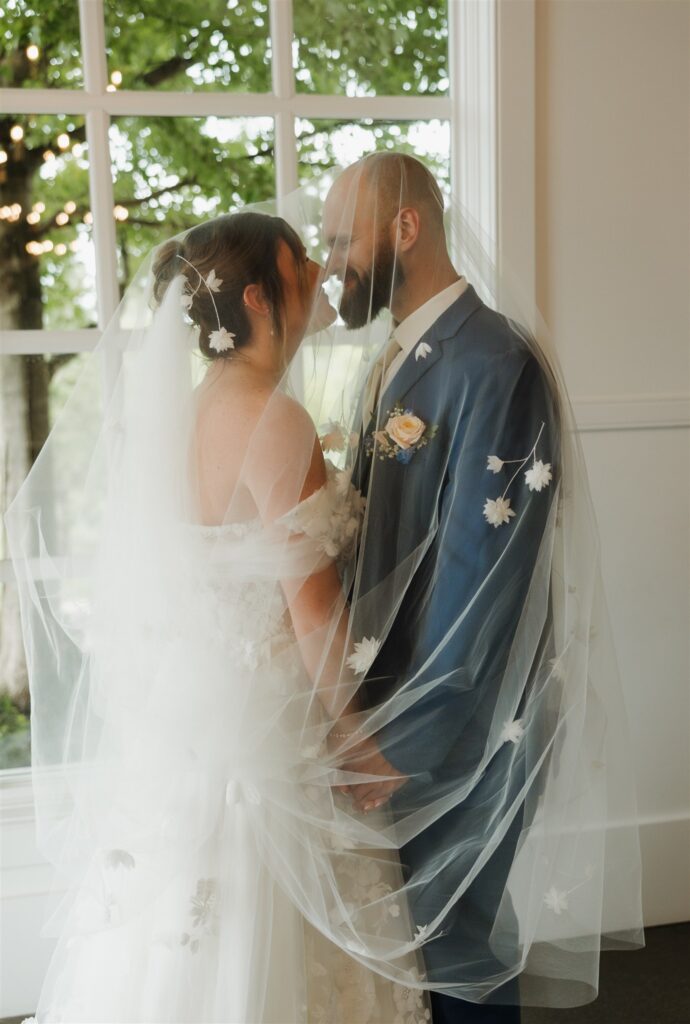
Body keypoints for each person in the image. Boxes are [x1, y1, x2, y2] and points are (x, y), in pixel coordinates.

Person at [6, 158, 644, 1023]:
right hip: (324, 719)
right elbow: (327, 571)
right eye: (313, 253)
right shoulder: (370, 368)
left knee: (457, 945)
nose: (330, 263)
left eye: (342, 240)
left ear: (406, 229)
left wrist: (399, 741)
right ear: (259, 301)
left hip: (453, 719)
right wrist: (353, 725)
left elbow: (480, 578)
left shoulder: (493, 362)